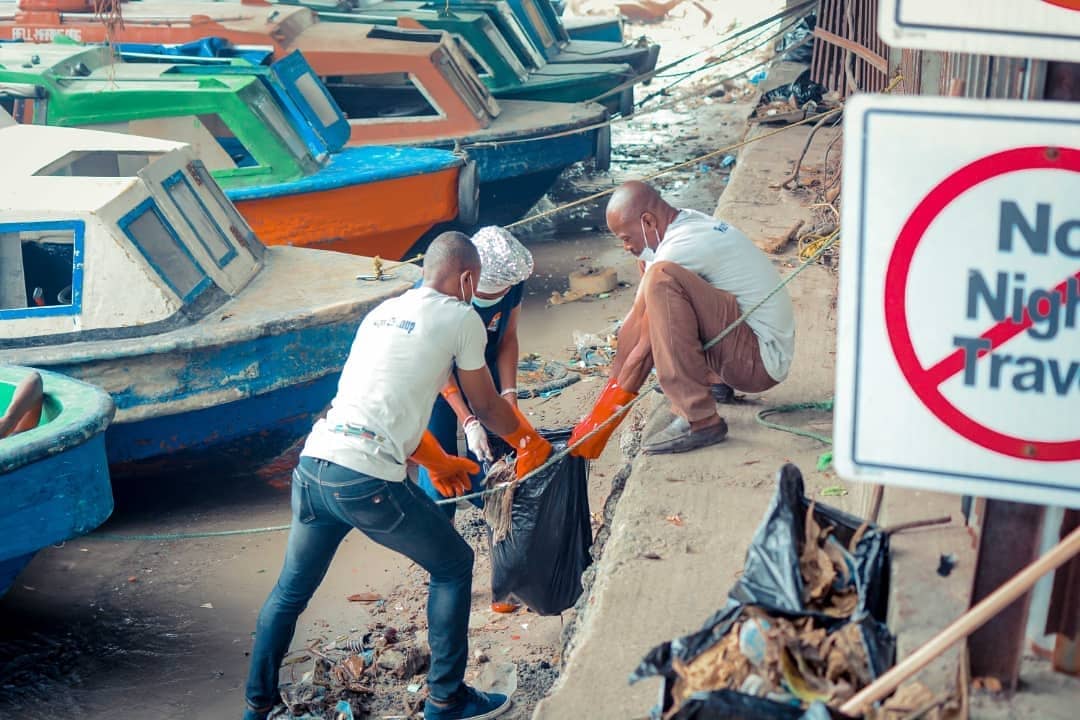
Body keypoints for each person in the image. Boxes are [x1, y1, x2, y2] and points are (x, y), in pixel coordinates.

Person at [242, 232, 552, 720]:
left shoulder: (381, 314)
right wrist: (530, 442)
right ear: (468, 278)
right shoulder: (462, 317)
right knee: (452, 565)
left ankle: (256, 707)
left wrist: (442, 463)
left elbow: (385, 410)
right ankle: (446, 699)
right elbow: (488, 405)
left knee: (289, 592)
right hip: (365, 482)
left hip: (315, 465)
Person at [569, 180, 795, 457]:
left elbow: (642, 336)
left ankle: (699, 419)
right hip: (748, 346)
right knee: (649, 263)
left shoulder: (683, 245)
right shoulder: (683, 223)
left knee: (660, 278)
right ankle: (713, 382)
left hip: (759, 362)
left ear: (648, 221)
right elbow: (637, 319)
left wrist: (604, 419)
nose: (625, 246)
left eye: (626, 238)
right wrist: (607, 399)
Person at [414, 226, 532, 613]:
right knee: (439, 470)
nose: (495, 298)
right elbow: (436, 365)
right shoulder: (439, 297)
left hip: (483, 372)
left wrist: (509, 397)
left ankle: (506, 576)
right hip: (438, 380)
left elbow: (508, 337)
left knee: (501, 470)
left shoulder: (509, 282)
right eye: (487, 294)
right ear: (469, 280)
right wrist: (467, 418)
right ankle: (441, 567)